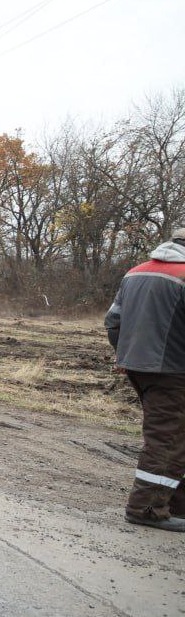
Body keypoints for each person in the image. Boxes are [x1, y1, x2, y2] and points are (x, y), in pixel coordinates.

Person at [105, 227, 185, 532]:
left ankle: (174, 505)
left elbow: (113, 322)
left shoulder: (135, 272)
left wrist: (127, 356)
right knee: (167, 439)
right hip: (174, 372)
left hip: (140, 369)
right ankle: (146, 508)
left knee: (175, 436)